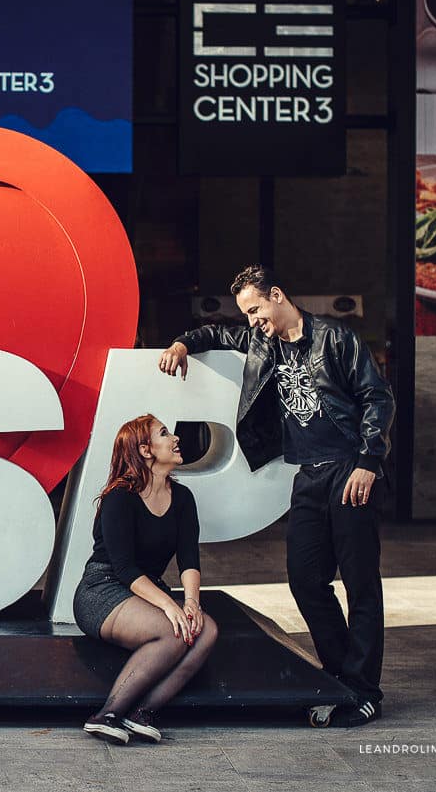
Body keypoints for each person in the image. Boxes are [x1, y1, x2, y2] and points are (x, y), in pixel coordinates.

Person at [157, 265, 394, 727]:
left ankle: (365, 691)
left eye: (256, 310)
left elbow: (377, 398)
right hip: (306, 475)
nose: (252, 321)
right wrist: (183, 342)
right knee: (306, 580)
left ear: (278, 296)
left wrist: (369, 461)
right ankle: (343, 673)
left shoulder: (336, 339)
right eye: (246, 314)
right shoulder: (260, 342)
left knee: (361, 582)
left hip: (349, 468)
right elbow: (215, 332)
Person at [73, 414, 219, 744]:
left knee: (205, 629)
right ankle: (106, 715)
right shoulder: (119, 497)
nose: (175, 438)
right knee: (174, 630)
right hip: (104, 589)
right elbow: (124, 569)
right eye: (164, 434)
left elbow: (189, 559)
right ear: (146, 449)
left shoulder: (183, 499)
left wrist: (192, 603)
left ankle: (143, 713)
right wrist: (171, 607)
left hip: (147, 590)